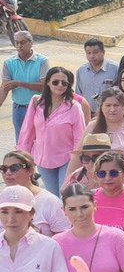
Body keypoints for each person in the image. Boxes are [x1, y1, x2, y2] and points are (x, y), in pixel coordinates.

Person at [17, 66, 86, 197]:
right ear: (48, 82)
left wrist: (78, 161)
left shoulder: (74, 107)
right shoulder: (37, 102)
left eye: (64, 83)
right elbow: (27, 132)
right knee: (52, 197)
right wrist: (24, 158)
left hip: (67, 159)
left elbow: (79, 137)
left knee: (64, 194)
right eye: (55, 82)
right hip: (43, 159)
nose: (60, 85)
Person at [1, 31, 49, 141]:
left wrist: (19, 83)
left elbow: (43, 86)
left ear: (31, 43)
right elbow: (5, 88)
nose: (19, 46)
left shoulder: (42, 61)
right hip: (19, 109)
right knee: (21, 141)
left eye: (22, 42)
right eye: (16, 43)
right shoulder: (9, 63)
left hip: (39, 108)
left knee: (39, 141)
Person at [76, 38, 119, 113]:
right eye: (88, 53)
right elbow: (78, 96)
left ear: (103, 52)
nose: (92, 56)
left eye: (95, 52)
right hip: (87, 114)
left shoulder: (115, 69)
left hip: (109, 114)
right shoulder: (81, 71)